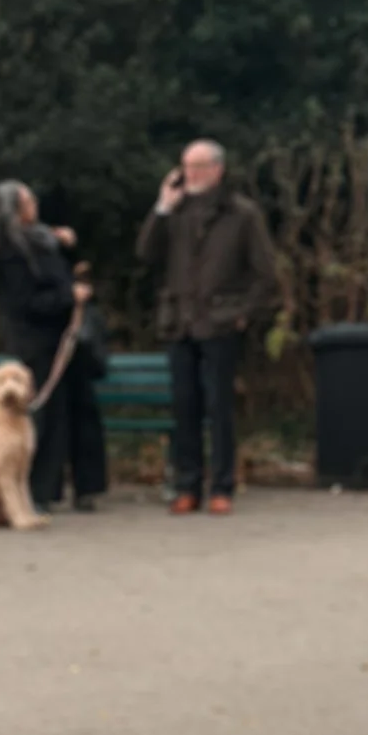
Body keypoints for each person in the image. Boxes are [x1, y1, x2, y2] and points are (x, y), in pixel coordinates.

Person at [136, 140, 277, 514]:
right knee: (185, 409)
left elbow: (266, 277)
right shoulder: (175, 210)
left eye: (198, 167)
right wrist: (162, 207)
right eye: (185, 167)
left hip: (219, 325)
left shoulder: (242, 214)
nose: (190, 175)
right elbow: (145, 254)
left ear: (217, 169)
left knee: (220, 408)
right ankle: (187, 486)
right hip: (178, 324)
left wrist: (239, 313)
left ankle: (223, 486)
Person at [0, 180, 106, 512]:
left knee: (82, 412)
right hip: (38, 342)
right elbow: (25, 303)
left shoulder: (44, 241)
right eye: (28, 202)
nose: (35, 206)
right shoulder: (8, 251)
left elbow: (67, 275)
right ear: (15, 211)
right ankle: (42, 489)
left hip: (68, 340)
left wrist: (68, 251)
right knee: (48, 417)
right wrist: (69, 296)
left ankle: (87, 486)